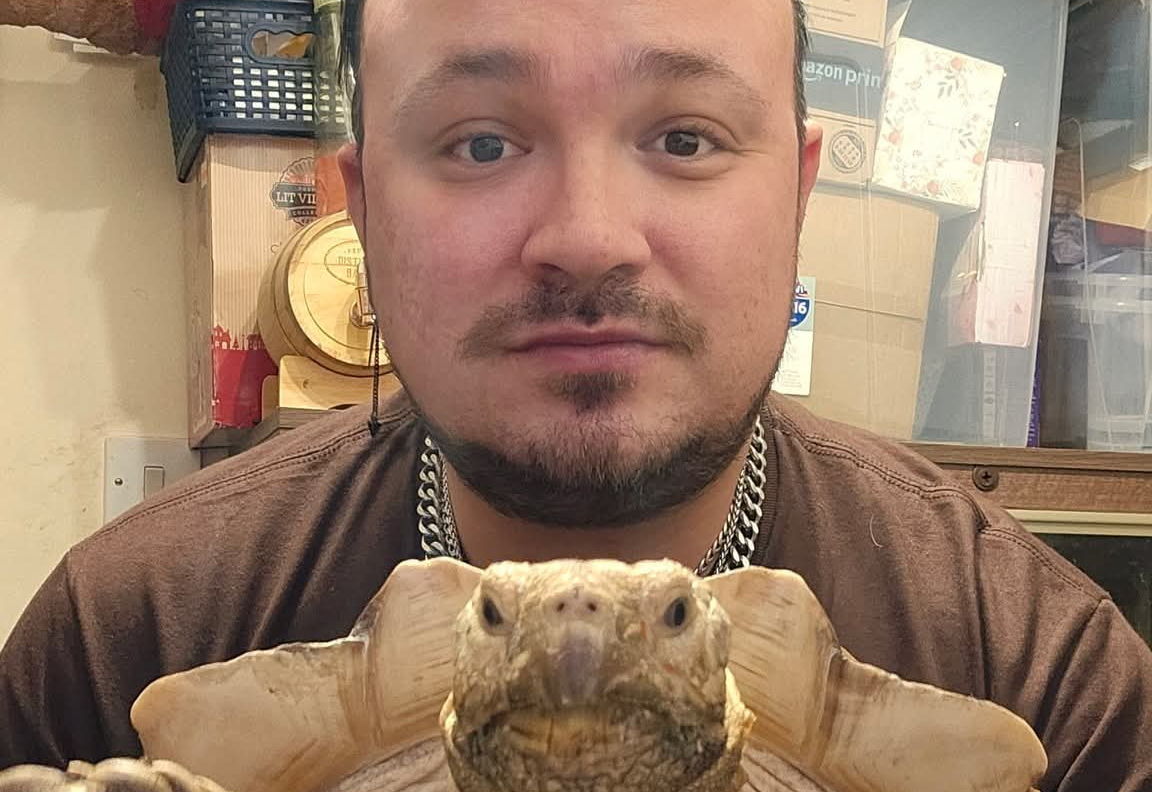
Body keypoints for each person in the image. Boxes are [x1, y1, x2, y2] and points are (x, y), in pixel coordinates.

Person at [1, 0, 1150, 787]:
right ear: (366, 209)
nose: (589, 238)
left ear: (798, 194)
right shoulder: (124, 640)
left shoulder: (1046, 677)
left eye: (686, 137)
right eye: (481, 145)